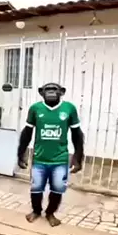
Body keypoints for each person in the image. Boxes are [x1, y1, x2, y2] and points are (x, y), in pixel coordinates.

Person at [17, 82, 84, 227]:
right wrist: (20, 154)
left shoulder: (69, 108)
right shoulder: (35, 109)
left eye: (54, 89)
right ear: (41, 92)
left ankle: (50, 213)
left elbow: (77, 135)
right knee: (36, 188)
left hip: (60, 159)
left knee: (57, 189)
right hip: (39, 158)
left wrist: (78, 158)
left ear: (62, 92)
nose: (51, 92)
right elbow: (27, 133)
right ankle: (36, 211)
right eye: (48, 89)